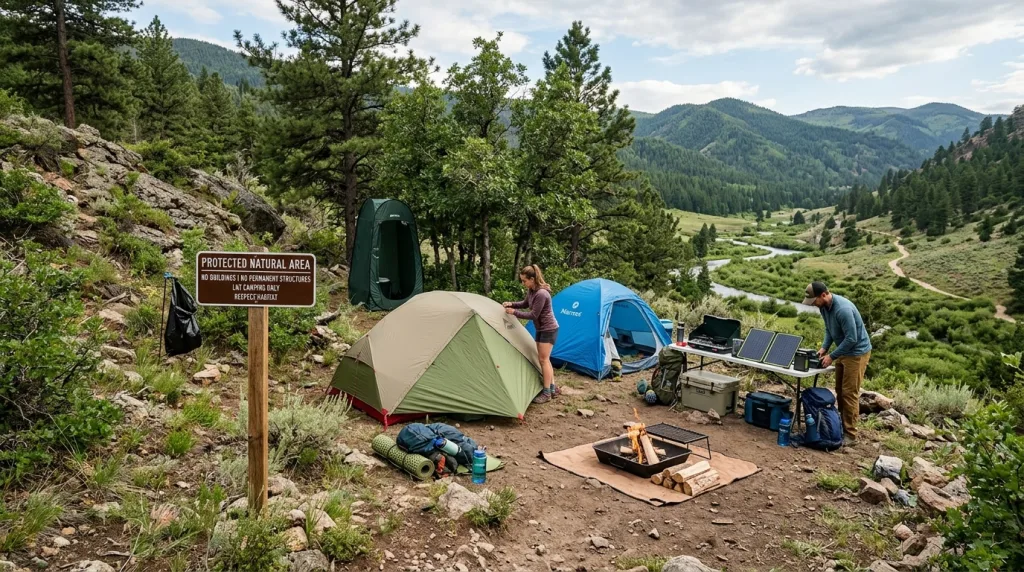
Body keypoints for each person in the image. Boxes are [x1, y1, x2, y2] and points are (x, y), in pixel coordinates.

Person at [803, 281, 872, 443]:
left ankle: (850, 434)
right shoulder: (824, 307)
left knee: (849, 393)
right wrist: (824, 348)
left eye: (814, 301)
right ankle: (840, 426)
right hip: (843, 350)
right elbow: (829, 329)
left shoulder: (843, 310)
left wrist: (832, 356)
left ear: (823, 295)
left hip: (856, 353)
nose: (813, 305)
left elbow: (852, 338)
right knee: (839, 391)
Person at [504, 265, 560, 403]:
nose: (523, 284)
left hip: (549, 329)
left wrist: (514, 313)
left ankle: (546, 393)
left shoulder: (541, 294)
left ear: (532, 279)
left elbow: (534, 314)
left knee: (543, 360)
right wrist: (511, 304)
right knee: (544, 359)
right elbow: (524, 304)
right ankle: (552, 388)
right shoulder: (532, 291)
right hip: (541, 329)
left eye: (524, 281)